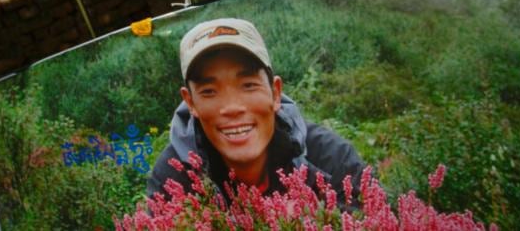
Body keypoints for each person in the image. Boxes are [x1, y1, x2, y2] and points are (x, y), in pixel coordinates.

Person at [147, 18, 366, 202]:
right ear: (191, 102)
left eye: (249, 85)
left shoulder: (331, 158)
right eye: (209, 91)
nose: (232, 108)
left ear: (275, 92)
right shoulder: (173, 178)